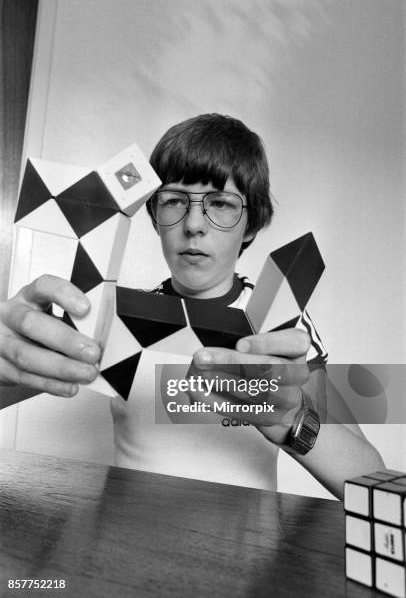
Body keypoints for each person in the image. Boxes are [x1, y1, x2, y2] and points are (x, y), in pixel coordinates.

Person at [0, 114, 384, 499]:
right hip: (126, 546)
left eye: (220, 203)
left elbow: (368, 476)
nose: (194, 224)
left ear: (250, 225)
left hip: (251, 552)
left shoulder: (283, 327)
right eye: (174, 201)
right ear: (154, 217)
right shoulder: (110, 318)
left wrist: (290, 417)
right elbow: (18, 376)